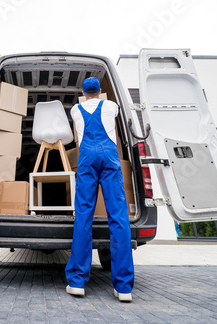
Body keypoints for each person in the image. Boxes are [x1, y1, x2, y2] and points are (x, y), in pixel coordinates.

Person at [65, 77, 134, 302]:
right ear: (100, 91)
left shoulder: (76, 109)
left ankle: (77, 282)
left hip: (87, 158)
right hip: (109, 157)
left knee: (84, 215)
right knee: (119, 217)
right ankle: (123, 288)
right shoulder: (111, 106)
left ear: (83, 93)